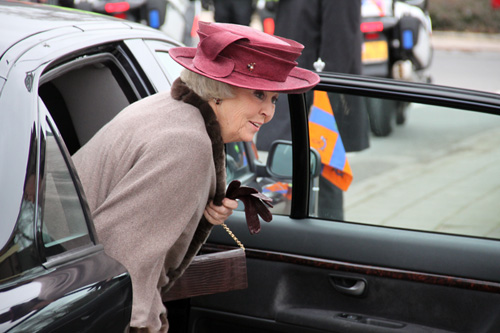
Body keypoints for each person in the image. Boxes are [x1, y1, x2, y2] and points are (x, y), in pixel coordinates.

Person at [71, 21, 319, 332]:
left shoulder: (170, 109)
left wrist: (198, 208)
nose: (269, 113)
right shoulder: (186, 144)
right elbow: (127, 266)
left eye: (274, 99)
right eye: (259, 94)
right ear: (220, 90)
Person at [257, 0, 370, 220]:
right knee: (297, 175)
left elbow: (340, 43)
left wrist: (325, 98)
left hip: (315, 93)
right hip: (295, 83)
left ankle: (328, 244)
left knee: (323, 174)